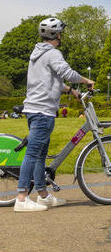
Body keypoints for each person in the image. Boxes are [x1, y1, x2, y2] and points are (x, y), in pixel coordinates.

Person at [14, 17, 95, 212]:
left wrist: (71, 91)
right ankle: (22, 198)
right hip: (43, 111)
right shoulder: (53, 53)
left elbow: (52, 81)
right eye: (61, 33)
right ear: (57, 35)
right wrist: (86, 81)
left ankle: (43, 195)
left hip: (35, 109)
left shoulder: (38, 54)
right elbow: (67, 73)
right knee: (33, 154)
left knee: (40, 154)